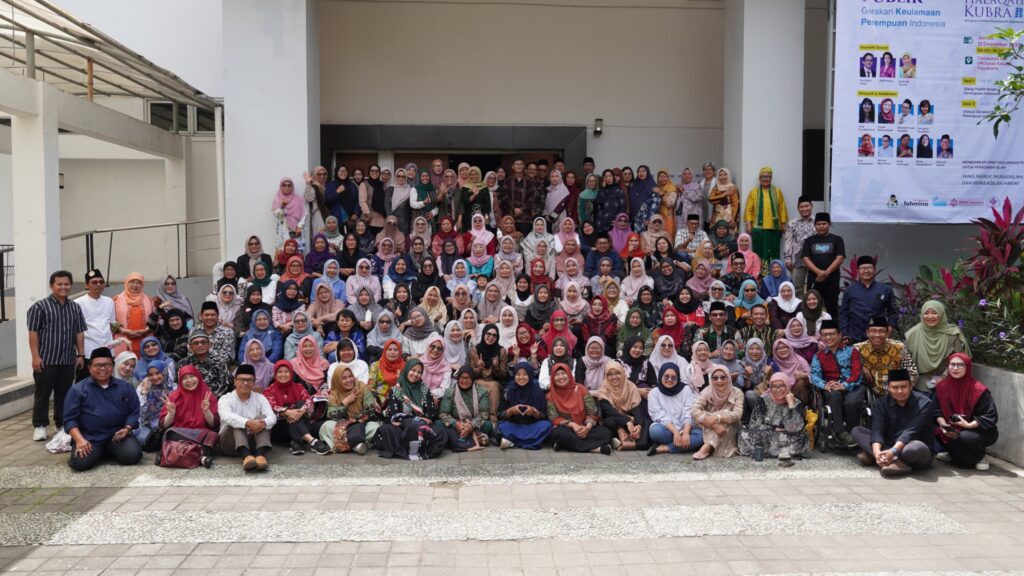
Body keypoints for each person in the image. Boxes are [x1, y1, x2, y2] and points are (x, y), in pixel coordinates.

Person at [28, 270, 87, 441]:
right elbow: (33, 333)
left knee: (65, 394)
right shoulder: (39, 307)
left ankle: (61, 424)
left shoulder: (75, 307)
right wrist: (35, 356)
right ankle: (40, 425)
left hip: (68, 360)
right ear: (51, 285)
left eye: (66, 284)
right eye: (59, 284)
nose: (63, 287)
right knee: (43, 394)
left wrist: (80, 354)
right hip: (46, 359)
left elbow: (79, 332)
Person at [63, 347, 143, 471]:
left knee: (133, 455)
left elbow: (134, 411)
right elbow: (69, 419)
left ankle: (106, 450)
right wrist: (79, 440)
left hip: (117, 436)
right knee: (80, 463)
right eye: (98, 365)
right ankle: (100, 451)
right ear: (89, 367)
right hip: (90, 437)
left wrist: (127, 429)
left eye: (107, 365)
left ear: (113, 366)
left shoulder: (125, 387)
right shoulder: (77, 390)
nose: (103, 368)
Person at [852, 369, 934, 477]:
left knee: (915, 449)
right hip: (890, 444)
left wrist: (893, 451)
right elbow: (877, 430)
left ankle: (883, 458)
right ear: (889, 388)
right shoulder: (882, 403)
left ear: (910, 386)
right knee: (857, 431)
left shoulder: (925, 403)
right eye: (895, 387)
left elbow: (911, 431)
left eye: (903, 387)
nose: (899, 391)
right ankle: (888, 459)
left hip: (912, 447)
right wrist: (876, 452)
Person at [934, 354, 998, 470]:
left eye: (960, 365)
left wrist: (968, 425)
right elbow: (937, 411)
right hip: (951, 428)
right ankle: (953, 453)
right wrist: (944, 427)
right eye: (952, 364)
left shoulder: (978, 389)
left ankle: (980, 455)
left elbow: (989, 415)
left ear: (967, 367)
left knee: (965, 438)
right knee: (936, 431)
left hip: (977, 430)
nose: (955, 368)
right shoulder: (941, 387)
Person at [810, 319, 864, 448]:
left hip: (853, 386)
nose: (828, 337)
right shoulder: (818, 356)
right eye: (825, 335)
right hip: (832, 387)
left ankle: (853, 432)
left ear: (839, 335)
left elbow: (857, 372)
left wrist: (845, 385)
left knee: (852, 401)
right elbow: (814, 375)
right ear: (821, 336)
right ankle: (840, 433)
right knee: (834, 396)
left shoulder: (852, 351)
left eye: (832, 334)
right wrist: (825, 385)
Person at [738, 373, 809, 463]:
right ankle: (783, 451)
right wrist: (774, 428)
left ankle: (768, 451)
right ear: (770, 388)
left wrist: (791, 404)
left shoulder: (797, 402)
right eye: (774, 386)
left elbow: (794, 428)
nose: (778, 389)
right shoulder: (763, 399)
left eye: (782, 386)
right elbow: (754, 424)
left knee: (802, 436)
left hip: (788, 436)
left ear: (787, 386)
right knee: (743, 433)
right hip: (767, 435)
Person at [158, 364, 220, 467]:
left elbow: (213, 425)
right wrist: (171, 414)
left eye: (192, 376)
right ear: (180, 381)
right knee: (170, 433)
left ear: (198, 377)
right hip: (179, 433)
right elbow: (164, 425)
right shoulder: (174, 396)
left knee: (212, 436)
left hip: (200, 433)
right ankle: (200, 457)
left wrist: (206, 411)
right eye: (184, 378)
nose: (189, 380)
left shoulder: (207, 395)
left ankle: (171, 453)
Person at [218, 365, 277, 471]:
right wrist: (247, 422)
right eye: (242, 380)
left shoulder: (260, 398)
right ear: (235, 381)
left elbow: (272, 417)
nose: (245, 383)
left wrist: (263, 423)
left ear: (254, 382)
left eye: (249, 380)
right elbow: (226, 415)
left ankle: (260, 455)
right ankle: (245, 456)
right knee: (236, 421)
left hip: (253, 445)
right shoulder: (225, 399)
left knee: (263, 419)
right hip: (229, 444)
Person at [265, 360, 330, 455]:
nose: (283, 374)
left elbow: (309, 400)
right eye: (280, 372)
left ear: (291, 373)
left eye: (286, 371)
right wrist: (287, 412)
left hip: (298, 424)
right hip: (280, 429)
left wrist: (301, 411)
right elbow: (272, 407)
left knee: (301, 404)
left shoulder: (299, 387)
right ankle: (313, 441)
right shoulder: (269, 390)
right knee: (291, 413)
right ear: (275, 373)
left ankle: (296, 443)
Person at [546, 363, 613, 454]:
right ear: (552, 378)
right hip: (566, 428)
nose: (561, 377)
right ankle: (596, 449)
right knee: (558, 434)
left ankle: (566, 445)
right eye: (557, 374)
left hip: (584, 426)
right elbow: (554, 417)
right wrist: (573, 425)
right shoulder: (550, 395)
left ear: (569, 374)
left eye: (563, 373)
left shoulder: (581, 389)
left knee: (605, 432)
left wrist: (587, 428)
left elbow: (592, 411)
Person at [905, 300, 970, 391]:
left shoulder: (952, 334)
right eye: (926, 313)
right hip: (917, 383)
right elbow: (905, 360)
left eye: (934, 313)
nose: (930, 316)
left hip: (948, 383)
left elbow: (962, 360)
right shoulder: (913, 334)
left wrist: (943, 377)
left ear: (941, 314)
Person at [855, 316, 919, 397]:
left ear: (887, 333)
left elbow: (912, 373)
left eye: (881, 331)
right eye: (873, 331)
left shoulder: (898, 348)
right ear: (867, 332)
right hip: (870, 395)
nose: (877, 335)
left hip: (896, 394)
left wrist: (900, 389)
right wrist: (860, 366)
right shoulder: (858, 349)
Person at [647, 362, 702, 456]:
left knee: (701, 436)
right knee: (655, 432)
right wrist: (676, 432)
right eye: (666, 376)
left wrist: (685, 433)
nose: (669, 380)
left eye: (673, 377)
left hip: (685, 428)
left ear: (678, 377)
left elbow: (689, 412)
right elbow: (659, 415)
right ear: (660, 376)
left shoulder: (685, 390)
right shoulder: (654, 393)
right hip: (666, 429)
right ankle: (681, 444)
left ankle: (664, 448)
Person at [592, 361, 649, 451]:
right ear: (606, 376)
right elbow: (609, 412)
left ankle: (634, 444)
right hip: (616, 421)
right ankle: (618, 440)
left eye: (617, 373)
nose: (614, 377)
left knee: (645, 421)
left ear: (622, 373)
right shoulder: (603, 390)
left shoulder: (630, 387)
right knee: (610, 422)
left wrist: (639, 425)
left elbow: (636, 409)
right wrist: (627, 422)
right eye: (610, 374)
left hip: (630, 420)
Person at [691, 365, 744, 459]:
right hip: (708, 425)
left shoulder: (737, 392)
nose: (719, 381)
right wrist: (715, 425)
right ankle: (708, 447)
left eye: (723, 377)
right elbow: (694, 410)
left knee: (725, 412)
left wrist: (718, 417)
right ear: (711, 380)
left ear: (728, 378)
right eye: (715, 378)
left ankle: (706, 447)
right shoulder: (706, 391)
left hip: (731, 426)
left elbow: (737, 414)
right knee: (699, 415)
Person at [497, 362, 552, 450]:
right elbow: (499, 415)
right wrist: (511, 411)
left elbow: (544, 416)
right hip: (514, 425)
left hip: (533, 426)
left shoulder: (537, 389)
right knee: (501, 426)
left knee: (547, 425)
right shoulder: (509, 389)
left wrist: (534, 412)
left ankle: (512, 442)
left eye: (525, 374)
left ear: (530, 375)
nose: (521, 377)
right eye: (518, 374)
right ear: (514, 375)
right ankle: (533, 442)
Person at [800, 212, 845, 318]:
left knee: (832, 306)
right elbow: (805, 258)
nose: (821, 226)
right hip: (814, 279)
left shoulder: (837, 239)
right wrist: (818, 272)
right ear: (815, 225)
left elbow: (840, 258)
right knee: (812, 305)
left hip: (832, 279)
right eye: (818, 224)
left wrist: (825, 273)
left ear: (829, 224)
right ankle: (813, 327)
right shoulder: (809, 240)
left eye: (824, 224)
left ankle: (832, 327)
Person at [743, 167, 788, 268]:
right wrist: (748, 223)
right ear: (759, 178)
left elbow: (782, 208)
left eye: (768, 177)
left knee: (773, 250)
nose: (766, 179)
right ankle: (759, 272)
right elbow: (749, 209)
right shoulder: (754, 192)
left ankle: (774, 271)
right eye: (763, 177)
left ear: (771, 178)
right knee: (759, 251)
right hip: (759, 228)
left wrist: (783, 223)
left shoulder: (777, 191)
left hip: (774, 227)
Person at [75, 269, 116, 373]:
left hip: (107, 348)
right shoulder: (78, 303)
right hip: (88, 350)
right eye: (94, 282)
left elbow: (112, 323)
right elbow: (75, 330)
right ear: (87, 285)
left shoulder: (109, 301)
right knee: (85, 380)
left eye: (101, 282)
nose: (98, 284)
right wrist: (79, 354)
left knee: (106, 378)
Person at [439, 367, 492, 447]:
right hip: (456, 423)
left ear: (472, 379)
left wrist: (471, 425)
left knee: (488, 425)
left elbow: (484, 414)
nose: (464, 381)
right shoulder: (450, 391)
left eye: (468, 378)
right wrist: (456, 424)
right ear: (458, 378)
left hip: (474, 424)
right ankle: (476, 437)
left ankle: (458, 438)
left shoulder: (481, 391)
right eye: (462, 378)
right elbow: (443, 413)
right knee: (438, 424)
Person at [179, 329, 233, 398]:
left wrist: (208, 399)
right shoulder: (183, 364)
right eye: (196, 343)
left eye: (203, 342)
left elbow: (224, 386)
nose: (200, 345)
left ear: (210, 345)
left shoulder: (220, 362)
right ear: (190, 347)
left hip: (214, 399)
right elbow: (180, 385)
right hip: (189, 399)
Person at [781, 197, 815, 298]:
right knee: (796, 287)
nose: (804, 209)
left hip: (814, 259)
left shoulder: (817, 222)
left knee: (814, 286)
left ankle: (814, 306)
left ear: (812, 206)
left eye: (807, 206)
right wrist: (787, 258)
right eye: (801, 207)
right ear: (798, 208)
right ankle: (798, 307)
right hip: (797, 259)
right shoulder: (792, 223)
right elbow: (788, 241)